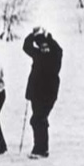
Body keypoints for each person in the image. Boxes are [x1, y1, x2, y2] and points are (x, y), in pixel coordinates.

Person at [22, 27, 63, 158]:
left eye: (46, 46)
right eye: (41, 46)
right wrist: (33, 35)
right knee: (37, 120)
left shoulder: (54, 56)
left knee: (38, 119)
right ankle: (39, 148)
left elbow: (59, 50)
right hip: (36, 93)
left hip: (49, 93)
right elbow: (26, 46)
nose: (44, 49)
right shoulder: (38, 54)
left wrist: (48, 37)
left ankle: (42, 149)